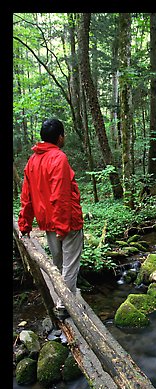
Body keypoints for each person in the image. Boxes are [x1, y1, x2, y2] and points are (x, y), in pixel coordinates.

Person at [18, 118, 84, 317]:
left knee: (59, 262)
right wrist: (63, 227)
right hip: (67, 222)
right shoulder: (58, 158)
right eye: (64, 135)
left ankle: (63, 297)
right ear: (60, 137)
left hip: (49, 223)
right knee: (70, 264)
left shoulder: (32, 161)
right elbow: (60, 196)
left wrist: (24, 224)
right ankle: (64, 307)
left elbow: (26, 198)